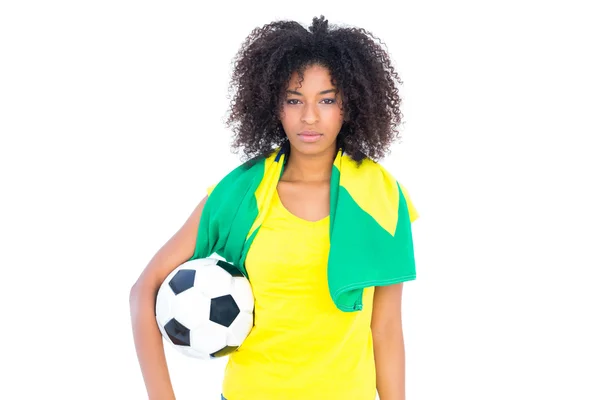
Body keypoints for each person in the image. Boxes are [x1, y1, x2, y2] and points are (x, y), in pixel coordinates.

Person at [129, 15, 420, 400]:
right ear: (273, 105)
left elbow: (385, 328)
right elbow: (143, 290)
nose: (309, 117)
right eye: (294, 100)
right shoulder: (240, 194)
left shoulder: (380, 197)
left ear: (349, 105)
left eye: (327, 100)